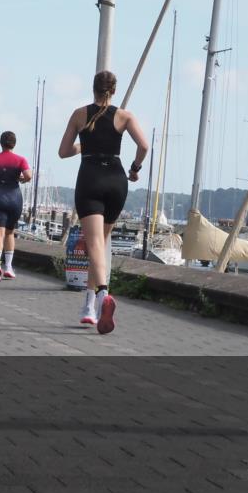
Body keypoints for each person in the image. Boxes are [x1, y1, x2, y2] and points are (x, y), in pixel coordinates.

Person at [58, 70, 148, 334]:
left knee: (94, 245)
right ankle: (88, 308)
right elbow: (143, 146)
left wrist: (83, 146)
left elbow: (63, 152)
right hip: (117, 180)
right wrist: (135, 169)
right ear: (114, 91)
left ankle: (102, 297)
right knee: (99, 246)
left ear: (93, 89)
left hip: (91, 178)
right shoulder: (125, 116)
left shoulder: (78, 114)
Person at [0, 131, 32, 281]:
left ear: (1, 143)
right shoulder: (20, 159)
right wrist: (21, 179)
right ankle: (9, 267)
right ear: (14, 144)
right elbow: (29, 175)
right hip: (14, 198)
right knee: (10, 233)